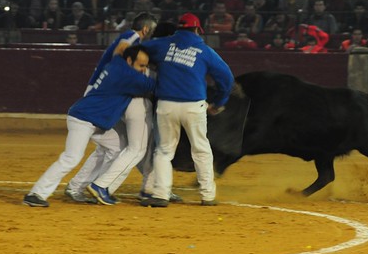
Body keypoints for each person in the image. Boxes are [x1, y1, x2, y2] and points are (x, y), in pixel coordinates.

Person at [23, 45, 156, 207]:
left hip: (93, 120)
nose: (143, 70)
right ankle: (36, 193)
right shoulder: (128, 75)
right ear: (129, 61)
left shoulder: (116, 63)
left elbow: (120, 48)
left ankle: (81, 187)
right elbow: (155, 86)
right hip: (83, 120)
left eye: (146, 66)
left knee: (117, 147)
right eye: (141, 65)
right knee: (71, 158)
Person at [140, 12, 234, 208]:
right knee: (201, 150)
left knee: (164, 151)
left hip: (166, 105)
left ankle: (160, 194)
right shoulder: (204, 50)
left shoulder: (163, 44)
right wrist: (218, 102)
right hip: (194, 106)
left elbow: (137, 49)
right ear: (198, 30)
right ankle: (207, 195)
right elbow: (226, 78)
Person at [65, 12, 158, 204]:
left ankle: (78, 186)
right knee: (130, 147)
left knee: (112, 146)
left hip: (100, 95)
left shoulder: (128, 38)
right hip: (104, 98)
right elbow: (120, 52)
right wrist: (132, 75)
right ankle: (99, 186)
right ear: (146, 29)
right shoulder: (132, 37)